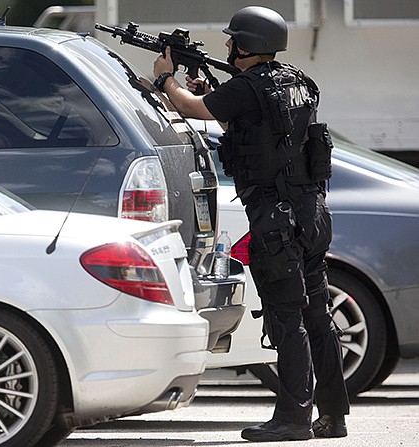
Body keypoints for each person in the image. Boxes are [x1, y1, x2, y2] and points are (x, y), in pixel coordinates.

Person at [153, 5, 350, 442]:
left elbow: (195, 109)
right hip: (312, 213)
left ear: (247, 45)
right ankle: (333, 416)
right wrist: (208, 92)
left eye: (232, 39)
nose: (227, 45)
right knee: (317, 315)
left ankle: (294, 419)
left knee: (287, 316)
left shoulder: (246, 87)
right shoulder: (297, 81)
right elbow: (251, 123)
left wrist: (167, 78)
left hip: (275, 218)